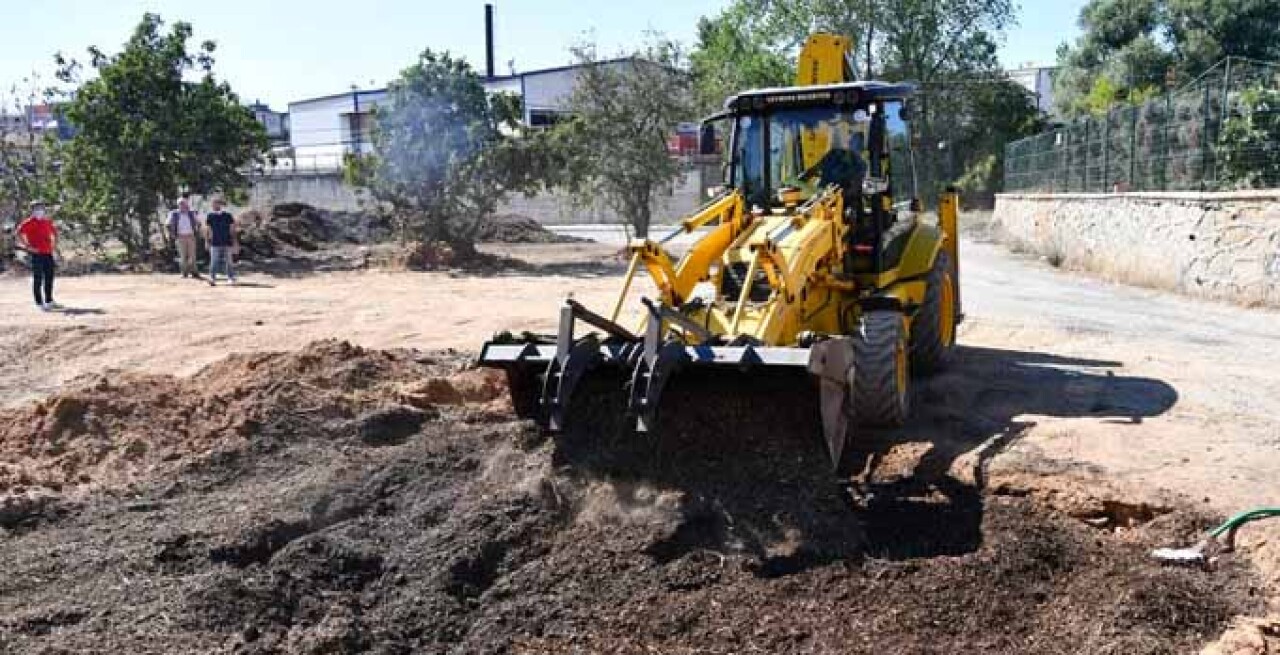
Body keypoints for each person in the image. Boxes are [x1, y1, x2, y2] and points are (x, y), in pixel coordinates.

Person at [15, 200, 58, 311]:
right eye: (37, 208)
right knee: (38, 278)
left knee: (49, 277)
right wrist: (27, 247)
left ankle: (49, 300)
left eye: (41, 208)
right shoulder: (28, 222)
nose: (39, 210)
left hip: (48, 253)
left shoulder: (47, 222)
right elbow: (18, 233)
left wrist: (54, 245)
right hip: (36, 254)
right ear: (32, 210)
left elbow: (54, 233)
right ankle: (39, 302)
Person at [205, 197, 237, 286]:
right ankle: (212, 278)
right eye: (213, 203)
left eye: (216, 203)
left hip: (227, 241)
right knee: (213, 261)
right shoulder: (210, 216)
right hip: (214, 242)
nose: (214, 205)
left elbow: (232, 229)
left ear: (220, 204)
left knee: (229, 261)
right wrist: (207, 241)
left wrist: (235, 241)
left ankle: (230, 278)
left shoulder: (228, 215)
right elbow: (207, 229)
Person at [168, 197, 201, 278]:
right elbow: (168, 224)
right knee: (182, 256)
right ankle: (184, 273)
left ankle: (194, 272)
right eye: (180, 204)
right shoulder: (174, 213)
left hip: (191, 236)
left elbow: (199, 223)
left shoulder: (191, 213)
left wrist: (196, 232)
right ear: (178, 205)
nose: (182, 205)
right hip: (180, 237)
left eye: (184, 203)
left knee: (192, 256)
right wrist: (172, 234)